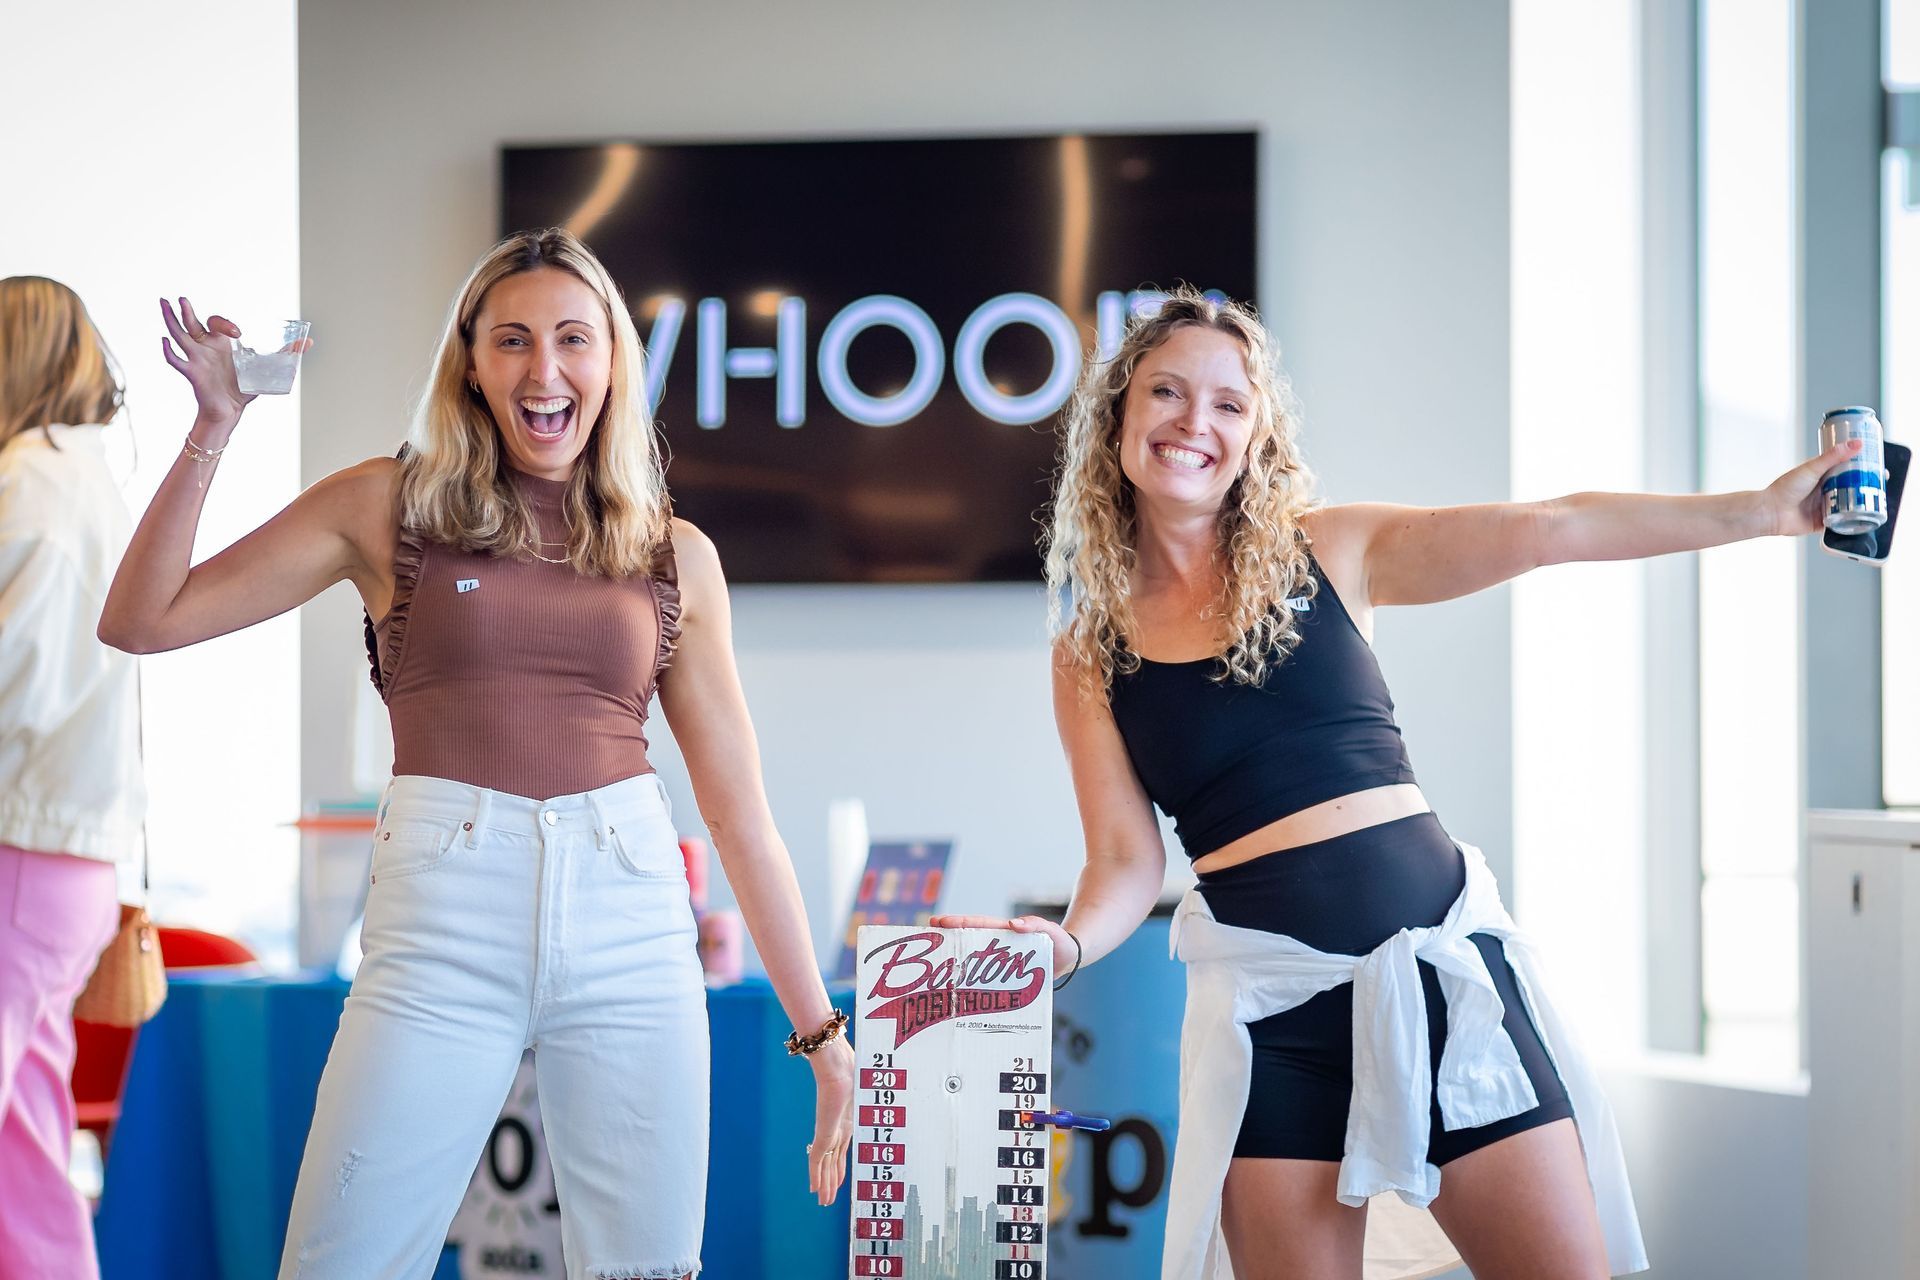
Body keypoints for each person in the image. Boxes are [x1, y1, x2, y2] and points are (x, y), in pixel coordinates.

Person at [935, 286, 1861, 1280]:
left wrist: (1762, 511)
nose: (1193, 421)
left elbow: (1551, 526)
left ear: (1257, 437)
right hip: (1269, 1012)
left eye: (1228, 403)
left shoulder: (1332, 550)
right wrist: (1066, 942)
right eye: (1164, 391)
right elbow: (1124, 858)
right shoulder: (1090, 648)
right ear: (1119, 417)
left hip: (1444, 972)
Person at [99, 229, 855, 1280]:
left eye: (572, 340)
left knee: (645, 1272)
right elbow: (144, 618)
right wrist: (213, 426)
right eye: (513, 340)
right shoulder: (387, 504)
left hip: (630, 918)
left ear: (611, 364)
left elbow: (740, 816)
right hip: (440, 925)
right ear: (471, 362)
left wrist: (825, 1036)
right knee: (341, 1261)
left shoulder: (674, 553)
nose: (544, 370)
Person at [0, 276, 145, 1280]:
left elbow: (12, 679)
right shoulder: (89, 481)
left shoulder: (29, 484)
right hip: (65, 860)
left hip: (19, 848)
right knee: (26, 1150)